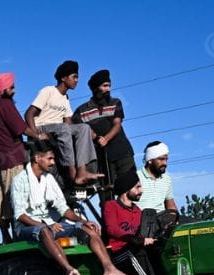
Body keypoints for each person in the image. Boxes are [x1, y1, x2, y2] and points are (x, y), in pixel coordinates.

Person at [11, 139, 136, 275]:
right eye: (50, 158)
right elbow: (19, 215)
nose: (53, 163)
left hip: (50, 224)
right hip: (28, 227)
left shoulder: (48, 179)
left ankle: (109, 270)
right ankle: (69, 270)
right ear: (37, 158)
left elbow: (63, 208)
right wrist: (47, 225)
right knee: (44, 230)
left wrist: (82, 221)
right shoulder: (19, 180)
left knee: (88, 229)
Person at [0, 72, 49, 243]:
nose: (14, 90)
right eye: (11, 87)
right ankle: (20, 235)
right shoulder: (5, 104)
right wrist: (38, 136)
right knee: (17, 198)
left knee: (2, 197)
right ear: (2, 89)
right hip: (12, 158)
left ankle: (6, 237)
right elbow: (20, 128)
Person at [25, 61, 102, 188]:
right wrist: (36, 136)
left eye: (77, 77)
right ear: (63, 78)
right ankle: (72, 172)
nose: (77, 80)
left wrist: (86, 133)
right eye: (74, 77)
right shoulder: (48, 91)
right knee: (64, 128)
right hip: (43, 127)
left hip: (59, 129)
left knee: (84, 128)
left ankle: (82, 170)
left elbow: (68, 121)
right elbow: (29, 114)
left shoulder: (65, 98)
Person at [103, 171, 168, 275]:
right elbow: (112, 229)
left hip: (135, 247)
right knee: (137, 251)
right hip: (118, 254)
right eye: (137, 187)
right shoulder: (111, 206)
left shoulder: (137, 210)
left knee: (159, 250)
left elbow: (144, 233)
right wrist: (136, 239)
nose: (141, 191)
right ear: (126, 189)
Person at [74, 69, 135, 200]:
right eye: (104, 86)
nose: (108, 89)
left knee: (129, 191)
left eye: (109, 85)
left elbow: (117, 124)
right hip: (101, 158)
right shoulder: (81, 111)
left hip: (122, 153)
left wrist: (106, 138)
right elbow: (80, 130)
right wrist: (96, 137)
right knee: (107, 194)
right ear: (96, 88)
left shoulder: (116, 103)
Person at [137, 141, 177, 214]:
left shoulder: (167, 179)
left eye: (166, 159)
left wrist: (174, 218)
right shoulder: (135, 177)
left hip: (161, 221)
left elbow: (171, 205)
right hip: (139, 221)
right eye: (161, 159)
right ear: (150, 160)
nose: (165, 163)